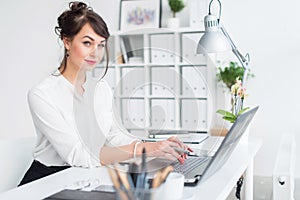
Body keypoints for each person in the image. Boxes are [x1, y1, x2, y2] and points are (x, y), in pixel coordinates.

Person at [19, 1, 190, 186]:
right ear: (67, 42)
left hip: (85, 176)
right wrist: (144, 149)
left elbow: (114, 136)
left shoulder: (101, 89)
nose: (96, 52)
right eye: (87, 43)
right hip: (46, 180)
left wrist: (159, 147)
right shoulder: (42, 94)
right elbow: (79, 155)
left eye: (101, 45)